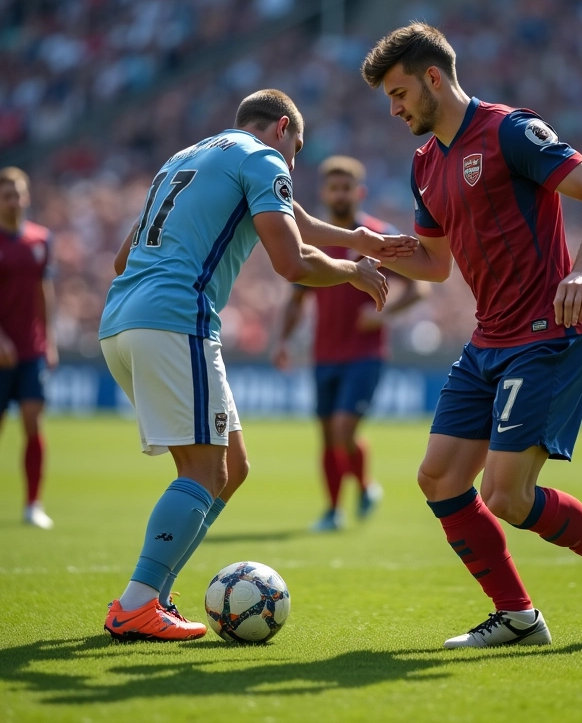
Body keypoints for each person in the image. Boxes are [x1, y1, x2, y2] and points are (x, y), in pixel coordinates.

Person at [361, 23, 582, 648]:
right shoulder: (423, 164)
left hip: (548, 335)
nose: (394, 108)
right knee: (439, 479)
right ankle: (519, 618)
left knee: (507, 496)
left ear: (433, 77)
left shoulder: (509, 130)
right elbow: (434, 264)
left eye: (399, 92)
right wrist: (361, 260)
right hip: (488, 340)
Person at [98, 89, 417, 642]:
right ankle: (137, 604)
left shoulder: (189, 157)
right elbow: (291, 260)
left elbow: (125, 257)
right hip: (177, 320)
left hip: (122, 321)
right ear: (283, 128)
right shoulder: (263, 157)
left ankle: (156, 595)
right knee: (201, 472)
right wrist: (352, 271)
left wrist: (357, 239)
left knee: (231, 468)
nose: (293, 162)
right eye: (297, 148)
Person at [272, 156, 429, 532]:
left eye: (347, 188)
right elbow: (296, 298)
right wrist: (283, 341)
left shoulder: (376, 235)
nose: (340, 194)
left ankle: (364, 485)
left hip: (365, 352)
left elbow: (419, 287)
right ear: (324, 193)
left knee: (343, 430)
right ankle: (333, 509)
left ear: (359, 192)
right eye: (333, 187)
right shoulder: (314, 239)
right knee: (327, 435)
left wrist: (382, 316)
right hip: (324, 353)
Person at [0, 167, 58, 530]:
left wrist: (48, 338)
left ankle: (33, 504)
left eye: (17, 193)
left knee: (33, 424)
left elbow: (43, 292)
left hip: (31, 349)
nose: (12, 200)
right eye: (6, 194)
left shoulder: (40, 239)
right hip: (1, 350)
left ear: (27, 197)